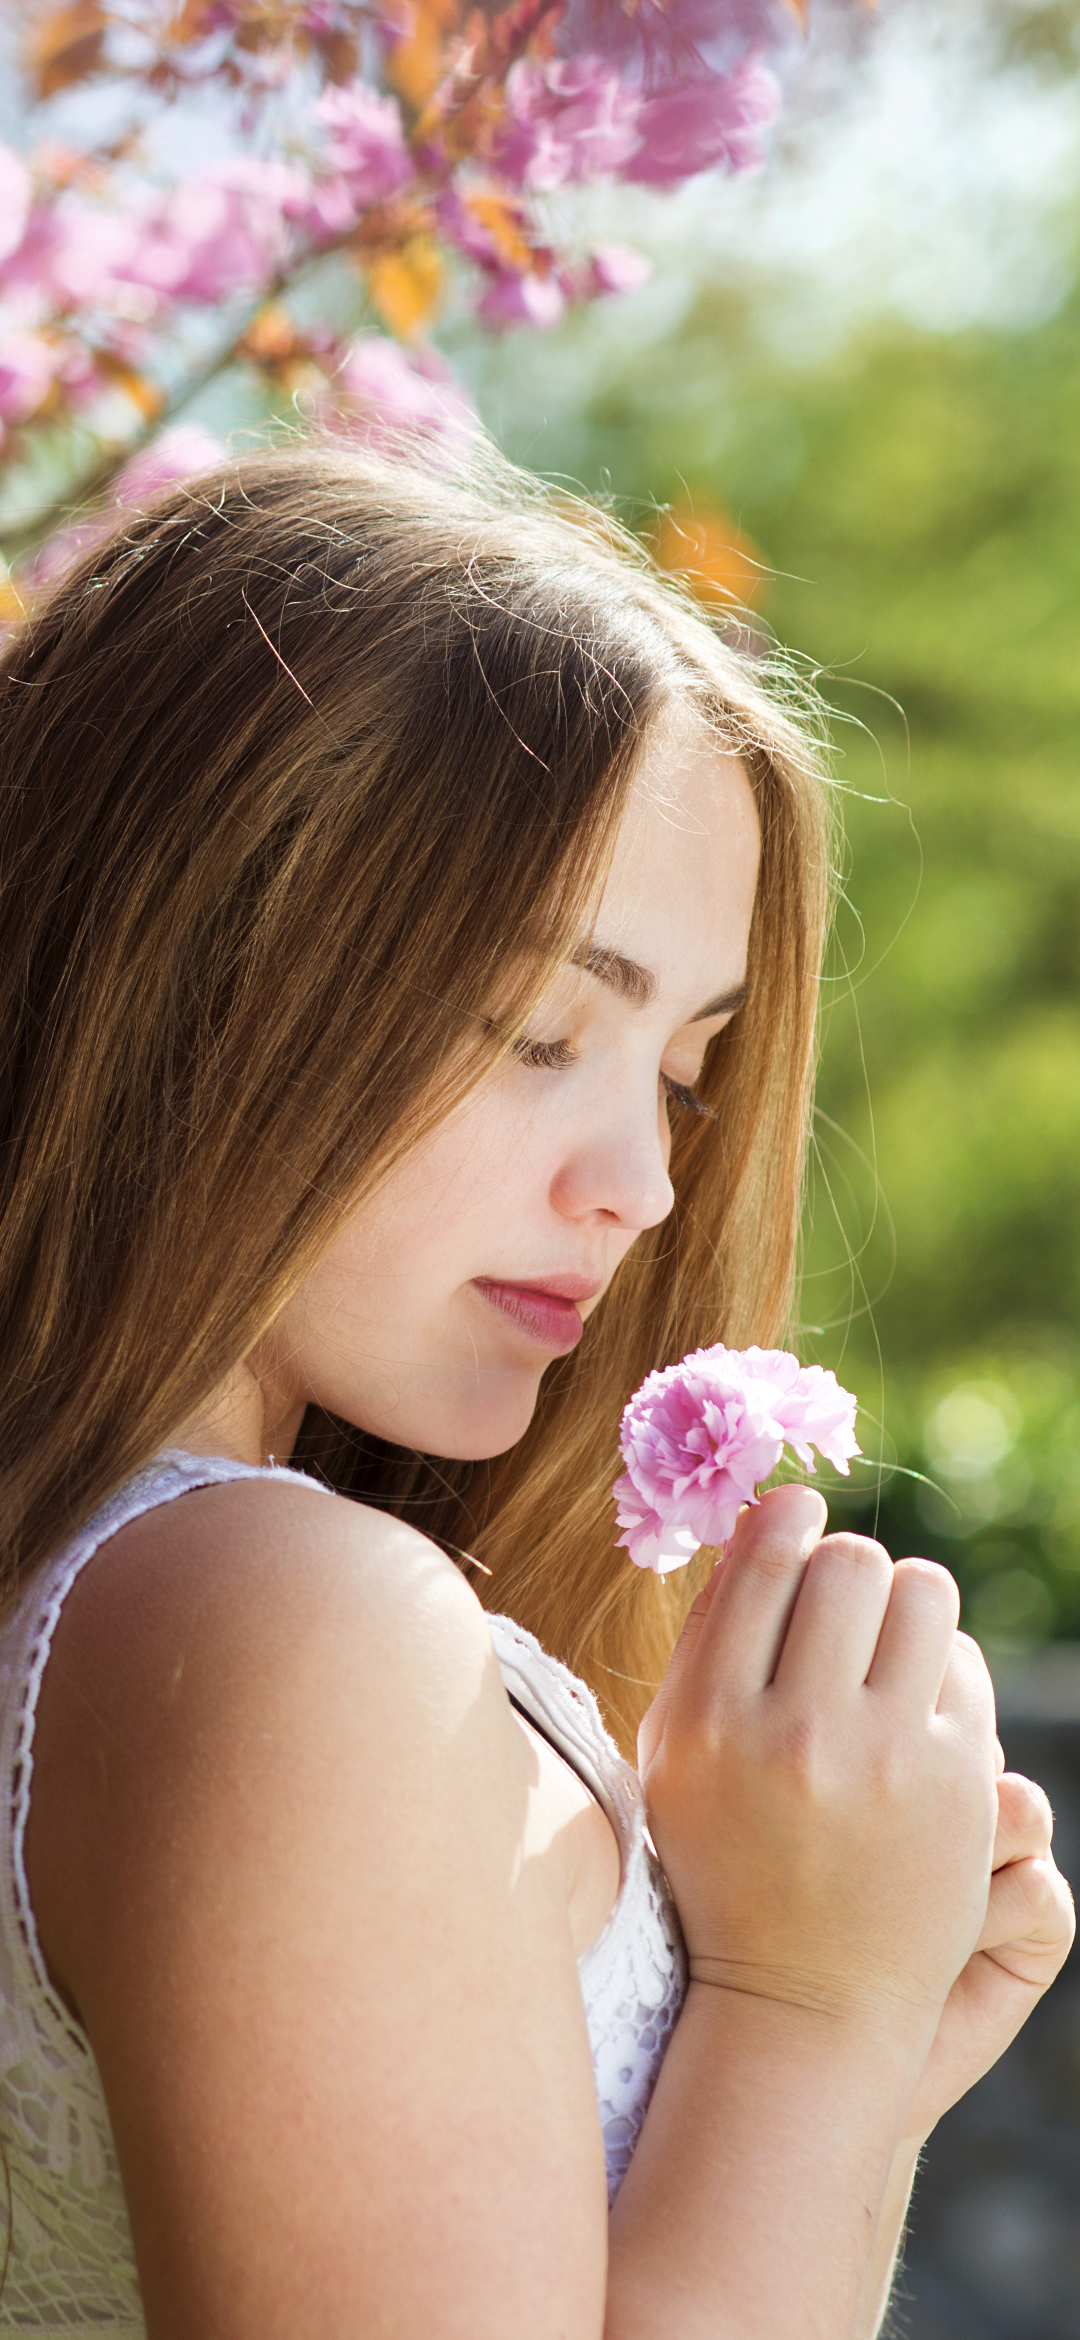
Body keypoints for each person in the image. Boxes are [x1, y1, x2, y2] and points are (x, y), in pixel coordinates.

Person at [0, 440, 1071, 2340]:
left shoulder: (143, 1598)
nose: (647, 1187)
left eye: (680, 1070)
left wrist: (861, 2059)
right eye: (538, 1031)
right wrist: (802, 2014)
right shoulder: (286, 1622)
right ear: (191, 948)